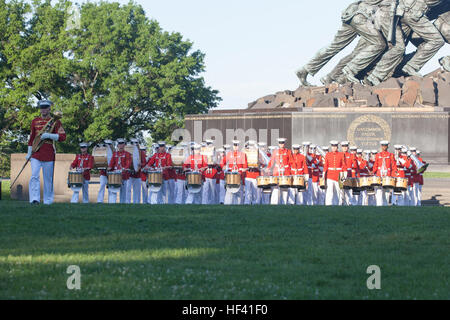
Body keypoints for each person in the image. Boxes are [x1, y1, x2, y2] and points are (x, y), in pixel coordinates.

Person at [27, 100, 66, 205]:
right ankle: (34, 199)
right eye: (42, 108)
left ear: (49, 109)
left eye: (45, 108)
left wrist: (49, 135)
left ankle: (48, 200)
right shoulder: (35, 121)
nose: (43, 110)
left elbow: (63, 137)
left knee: (48, 178)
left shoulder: (55, 121)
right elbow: (31, 138)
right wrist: (29, 152)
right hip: (36, 152)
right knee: (34, 176)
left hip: (48, 152)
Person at [267, 138, 294, 205]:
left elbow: (291, 162)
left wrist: (291, 172)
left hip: (285, 172)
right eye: (280, 143)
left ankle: (284, 203)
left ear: (284, 144)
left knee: (285, 189)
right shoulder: (275, 152)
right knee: (276, 189)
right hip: (277, 172)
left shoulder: (288, 151)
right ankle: (274, 204)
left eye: (283, 143)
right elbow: (271, 161)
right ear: (278, 144)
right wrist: (268, 168)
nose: (281, 144)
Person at [221, 140, 248, 205]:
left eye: (237, 145)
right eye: (234, 145)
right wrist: (223, 166)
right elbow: (222, 162)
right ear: (233, 146)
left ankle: (239, 205)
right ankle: (227, 204)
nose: (235, 147)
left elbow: (245, 166)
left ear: (238, 146)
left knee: (239, 192)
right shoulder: (229, 154)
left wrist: (243, 169)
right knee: (229, 191)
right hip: (230, 176)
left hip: (239, 176)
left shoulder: (243, 154)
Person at [372, 141, 397, 206]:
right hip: (379, 175)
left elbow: (393, 166)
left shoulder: (391, 155)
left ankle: (385, 206)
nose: (384, 147)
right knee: (379, 191)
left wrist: (394, 174)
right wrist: (373, 172)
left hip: (387, 175)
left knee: (386, 192)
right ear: (381, 146)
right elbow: (375, 165)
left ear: (387, 146)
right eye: (383, 146)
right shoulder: (378, 155)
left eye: (385, 146)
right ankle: (379, 205)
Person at [107, 138, 132, 203]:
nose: (120, 146)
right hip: (115, 175)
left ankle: (122, 203)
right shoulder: (115, 154)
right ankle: (112, 203)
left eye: (122, 144)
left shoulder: (127, 154)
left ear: (124, 145)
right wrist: (109, 168)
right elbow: (111, 163)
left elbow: (128, 164)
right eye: (119, 144)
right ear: (117, 145)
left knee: (123, 191)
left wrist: (124, 169)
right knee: (113, 189)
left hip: (124, 175)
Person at [324, 141, 347, 206]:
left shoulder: (341, 154)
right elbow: (326, 166)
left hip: (338, 175)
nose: (334, 148)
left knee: (338, 191)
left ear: (337, 147)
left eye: (335, 146)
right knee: (329, 191)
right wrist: (324, 176)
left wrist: (344, 176)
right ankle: (328, 204)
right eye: (333, 146)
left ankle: (337, 205)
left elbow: (344, 166)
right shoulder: (328, 154)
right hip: (330, 175)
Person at [244, 141, 261, 205]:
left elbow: (261, 163)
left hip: (255, 174)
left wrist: (258, 166)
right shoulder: (246, 153)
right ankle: (247, 203)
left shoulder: (257, 154)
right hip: (248, 174)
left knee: (255, 191)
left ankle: (254, 203)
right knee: (247, 191)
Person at [202, 140, 218, 205]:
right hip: (206, 172)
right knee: (205, 189)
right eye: (207, 144)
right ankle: (204, 202)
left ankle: (213, 203)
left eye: (209, 143)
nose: (208, 145)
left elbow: (216, 161)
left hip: (212, 172)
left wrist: (212, 162)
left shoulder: (214, 151)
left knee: (212, 190)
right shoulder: (204, 151)